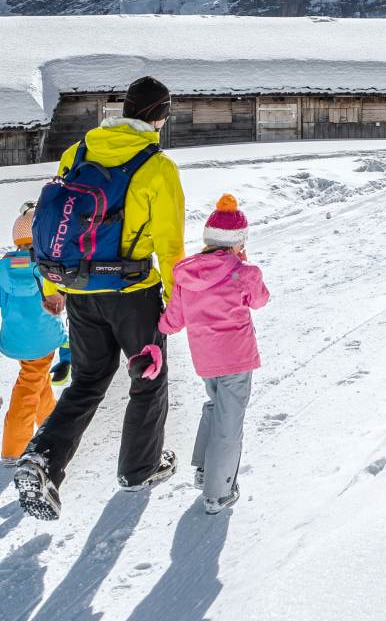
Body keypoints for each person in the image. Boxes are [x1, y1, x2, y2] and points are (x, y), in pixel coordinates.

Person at [15, 76, 185, 521]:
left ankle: (43, 460)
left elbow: (52, 225)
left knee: (87, 382)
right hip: (131, 293)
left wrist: (52, 287)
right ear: (159, 116)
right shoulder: (157, 167)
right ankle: (139, 467)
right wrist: (180, 300)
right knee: (147, 378)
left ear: (125, 109)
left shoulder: (79, 152)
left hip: (78, 290)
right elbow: (169, 246)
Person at [157, 194, 269, 514]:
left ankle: (206, 469)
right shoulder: (243, 272)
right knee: (229, 421)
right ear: (238, 242)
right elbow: (259, 300)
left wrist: (154, 327)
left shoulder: (186, 274)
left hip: (206, 360)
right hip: (236, 357)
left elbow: (173, 322)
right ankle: (218, 492)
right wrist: (245, 266)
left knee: (215, 405)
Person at [0, 204, 68, 462]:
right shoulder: (47, 268)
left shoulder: (4, 268)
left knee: (37, 382)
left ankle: (50, 431)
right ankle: (13, 450)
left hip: (14, 340)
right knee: (29, 387)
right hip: (44, 341)